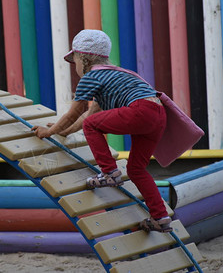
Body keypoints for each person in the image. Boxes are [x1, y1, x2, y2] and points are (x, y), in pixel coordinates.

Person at [32, 29, 172, 233]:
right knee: (136, 170)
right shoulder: (115, 75)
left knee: (93, 126)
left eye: (76, 61)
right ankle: (160, 217)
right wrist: (66, 132)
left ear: (84, 59)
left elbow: (76, 113)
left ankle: (109, 173)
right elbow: (89, 115)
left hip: (141, 110)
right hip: (158, 115)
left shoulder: (91, 77)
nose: (76, 67)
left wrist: (49, 131)